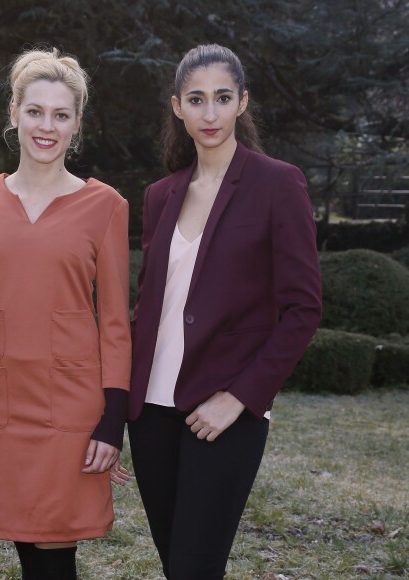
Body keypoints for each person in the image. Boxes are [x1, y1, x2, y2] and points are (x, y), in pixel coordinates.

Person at [128, 43, 322, 579]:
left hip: (223, 412)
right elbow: (149, 307)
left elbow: (303, 309)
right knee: (179, 567)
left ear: (242, 102)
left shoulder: (277, 184)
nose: (209, 113)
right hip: (150, 411)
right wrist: (114, 408)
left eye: (221, 98)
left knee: (195, 567)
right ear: (177, 107)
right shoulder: (160, 195)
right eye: (196, 100)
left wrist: (239, 399)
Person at [0, 47, 131, 580]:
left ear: (76, 125)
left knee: (55, 549)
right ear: (14, 114)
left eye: (61, 114)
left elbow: (115, 324)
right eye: (35, 111)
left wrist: (113, 421)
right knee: (26, 542)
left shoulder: (106, 206)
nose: (47, 126)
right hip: (0, 398)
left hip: (72, 407)